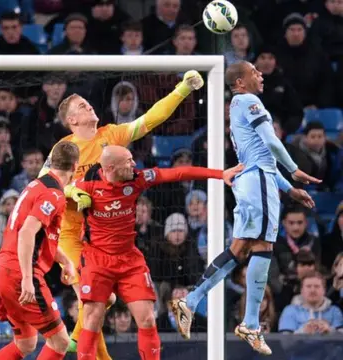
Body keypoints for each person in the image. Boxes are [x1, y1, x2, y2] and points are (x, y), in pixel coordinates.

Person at [41, 70, 205, 358]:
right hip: (70, 235)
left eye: (88, 103)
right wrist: (69, 192)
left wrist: (181, 90)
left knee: (95, 307)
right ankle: (72, 346)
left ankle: (77, 345)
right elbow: (43, 182)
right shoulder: (63, 148)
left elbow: (150, 119)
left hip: (103, 238)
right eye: (81, 106)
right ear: (72, 120)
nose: (89, 106)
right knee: (92, 305)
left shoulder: (111, 134)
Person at [170, 61, 319, 355]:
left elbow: (262, 156)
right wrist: (295, 169)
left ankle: (191, 300)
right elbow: (271, 142)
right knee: (263, 246)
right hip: (257, 184)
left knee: (240, 249)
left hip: (254, 181)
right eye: (254, 72)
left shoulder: (240, 106)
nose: (261, 75)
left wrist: (290, 189)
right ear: (239, 82)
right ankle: (250, 322)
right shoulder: (249, 100)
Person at [73, 145, 242, 360]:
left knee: (147, 319)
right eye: (128, 161)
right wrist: (72, 192)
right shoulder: (87, 186)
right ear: (111, 167)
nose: (134, 164)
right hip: (97, 259)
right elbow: (62, 191)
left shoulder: (137, 178)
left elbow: (177, 173)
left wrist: (220, 174)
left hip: (129, 259)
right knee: (93, 319)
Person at [0, 141, 80, 360]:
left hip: (2, 269)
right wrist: (28, 280)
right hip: (19, 273)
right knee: (60, 342)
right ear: (76, 167)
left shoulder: (35, 185)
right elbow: (27, 233)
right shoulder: (54, 194)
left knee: (25, 343)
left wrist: (65, 260)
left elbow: (41, 236)